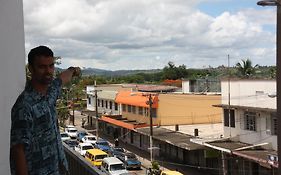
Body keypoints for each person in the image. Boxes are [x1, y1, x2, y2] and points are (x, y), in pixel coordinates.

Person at [10, 45, 81, 175]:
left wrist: (73, 70)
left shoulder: (50, 93)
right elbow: (17, 150)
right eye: (42, 67)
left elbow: (62, 78)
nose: (48, 71)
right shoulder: (24, 105)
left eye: (51, 66)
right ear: (31, 69)